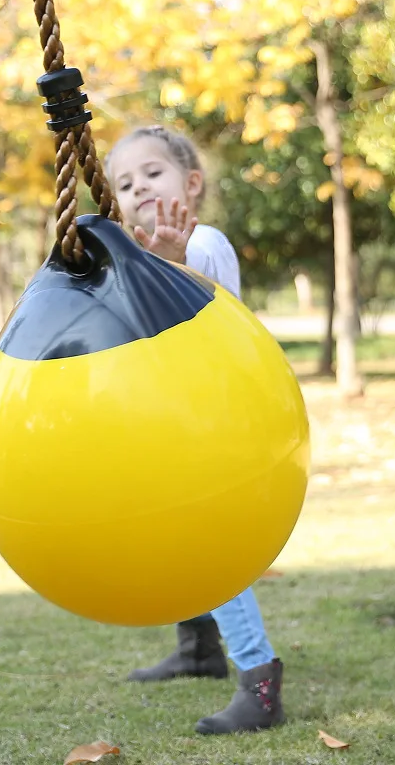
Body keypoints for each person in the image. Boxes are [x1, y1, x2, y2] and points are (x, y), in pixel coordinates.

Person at [104, 124, 285, 736]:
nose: (139, 189)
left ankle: (260, 682)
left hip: (216, 427)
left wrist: (171, 261)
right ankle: (199, 646)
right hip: (177, 426)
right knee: (173, 537)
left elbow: (199, 308)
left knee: (214, 556)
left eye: (152, 174)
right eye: (125, 184)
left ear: (192, 182)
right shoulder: (145, 254)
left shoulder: (201, 241)